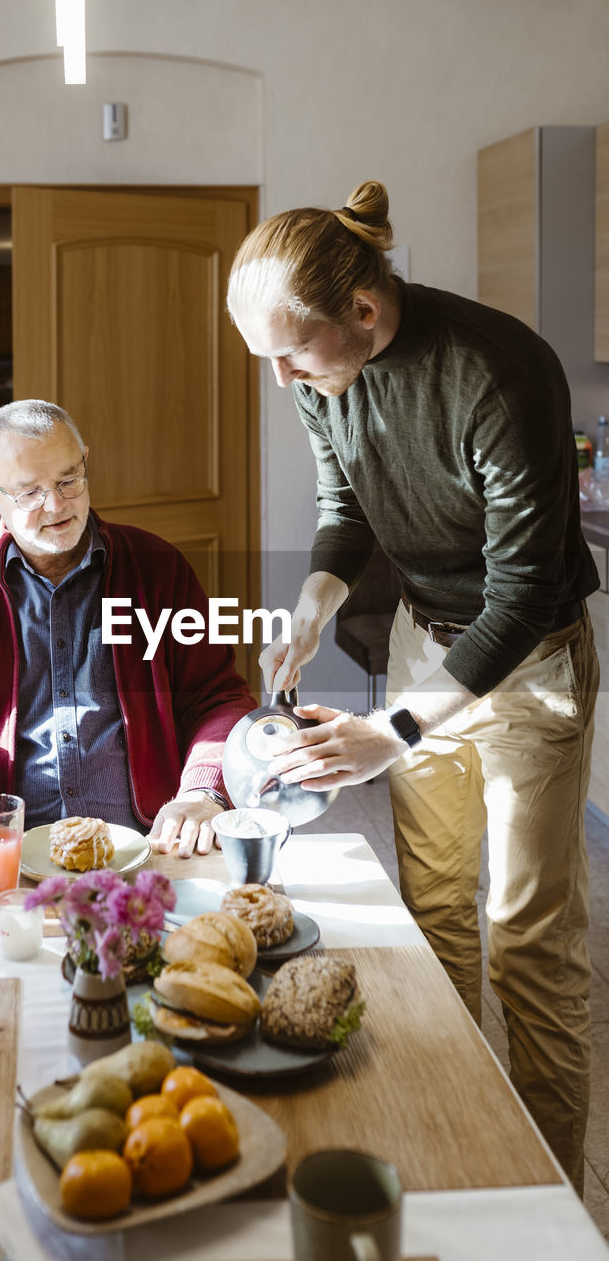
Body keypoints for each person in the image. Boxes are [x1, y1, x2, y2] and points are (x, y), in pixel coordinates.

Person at [226, 181, 599, 1191]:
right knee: (431, 917)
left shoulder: (496, 371)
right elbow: (345, 503)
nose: (280, 378)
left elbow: (522, 598)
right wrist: (311, 602)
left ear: (361, 310)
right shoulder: (319, 374)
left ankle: (548, 1203)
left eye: (291, 353)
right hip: (421, 638)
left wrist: (387, 730)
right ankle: (452, 1155)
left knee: (527, 940)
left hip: (526, 667)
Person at [0, 399, 255, 892]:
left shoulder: (161, 571)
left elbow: (218, 698)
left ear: (86, 461)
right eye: (29, 492)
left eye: (70, 480)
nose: (56, 506)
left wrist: (204, 792)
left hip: (148, 851)